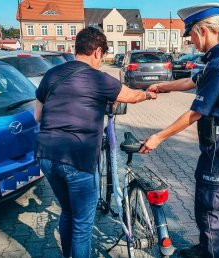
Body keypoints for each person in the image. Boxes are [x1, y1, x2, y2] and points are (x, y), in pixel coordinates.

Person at [34, 27, 156, 258]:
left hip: (47, 156)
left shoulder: (51, 74)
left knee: (67, 212)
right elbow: (133, 96)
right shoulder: (98, 78)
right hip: (78, 159)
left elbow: (37, 116)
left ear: (76, 48)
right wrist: (149, 94)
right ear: (98, 52)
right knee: (82, 224)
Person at [139, 3, 219, 258]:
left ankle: (211, 254)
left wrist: (158, 137)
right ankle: (205, 249)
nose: (191, 41)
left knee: (210, 208)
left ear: (202, 31)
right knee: (205, 203)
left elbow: (195, 112)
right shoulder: (216, 60)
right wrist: (163, 87)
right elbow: (191, 81)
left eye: (191, 35)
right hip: (217, 144)